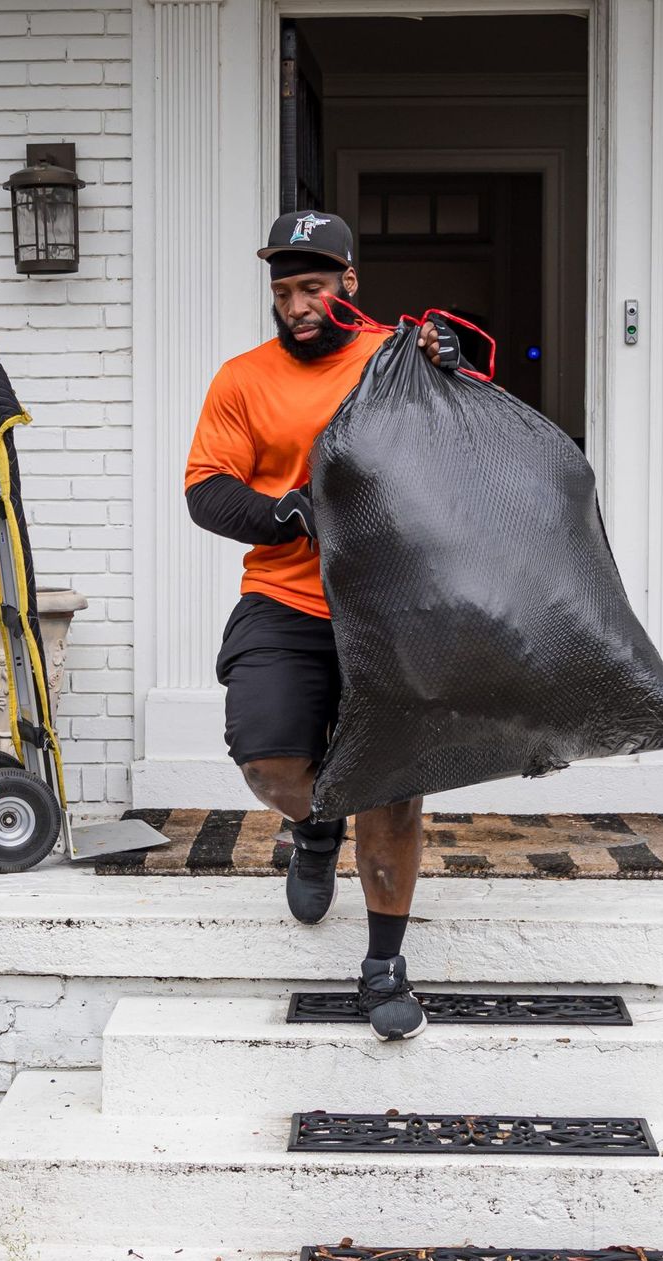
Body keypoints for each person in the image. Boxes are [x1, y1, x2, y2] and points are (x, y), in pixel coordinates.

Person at [183, 209, 458, 1041]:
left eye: (313, 286)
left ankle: (383, 964)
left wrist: (455, 361)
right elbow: (206, 488)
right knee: (267, 762)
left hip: (392, 605)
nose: (298, 304)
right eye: (284, 290)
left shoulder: (399, 358)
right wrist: (284, 515)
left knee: (392, 785)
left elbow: (477, 437)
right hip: (287, 597)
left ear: (349, 285)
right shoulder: (243, 378)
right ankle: (314, 824)